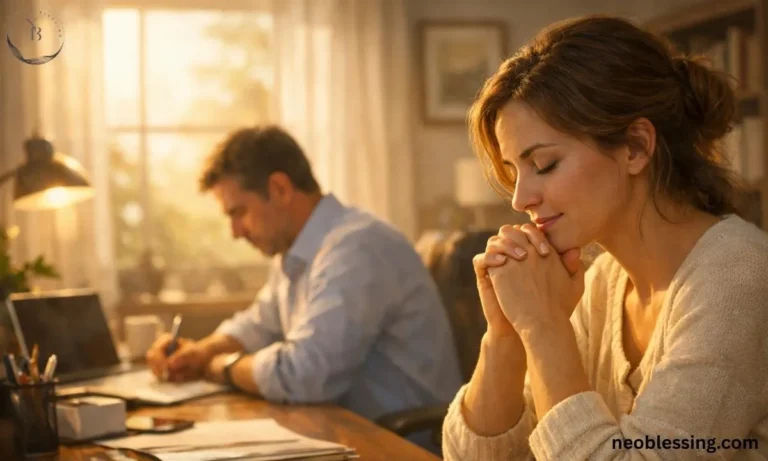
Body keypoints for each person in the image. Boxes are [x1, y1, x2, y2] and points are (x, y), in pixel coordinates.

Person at [442, 15, 768, 460]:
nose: (520, 199)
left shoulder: (738, 277)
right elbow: (475, 456)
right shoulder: (604, 281)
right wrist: (506, 334)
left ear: (635, 147)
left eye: (545, 164)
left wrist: (543, 325)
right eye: (514, 171)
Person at [145, 126, 462, 433]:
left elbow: (305, 375)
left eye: (238, 212)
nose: (235, 231)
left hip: (400, 447)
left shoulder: (356, 247)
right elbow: (258, 324)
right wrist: (200, 351)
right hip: (343, 433)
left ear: (280, 189)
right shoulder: (294, 252)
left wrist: (218, 367)